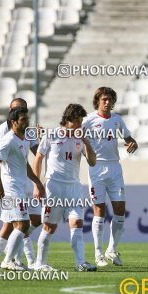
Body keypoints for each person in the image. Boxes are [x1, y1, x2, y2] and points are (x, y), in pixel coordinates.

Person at [33, 104, 97, 271]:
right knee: (49, 226)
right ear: (68, 120)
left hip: (74, 187)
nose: (80, 124)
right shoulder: (51, 135)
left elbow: (92, 162)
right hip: (54, 186)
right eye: (78, 121)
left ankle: (80, 263)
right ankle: (40, 263)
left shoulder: (80, 138)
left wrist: (86, 142)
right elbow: (38, 158)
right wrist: (37, 184)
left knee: (77, 223)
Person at [82, 87, 139, 267]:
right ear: (98, 100)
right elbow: (78, 140)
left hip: (115, 167)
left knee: (120, 209)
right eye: (104, 99)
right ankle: (98, 253)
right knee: (99, 210)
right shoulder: (88, 120)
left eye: (110, 100)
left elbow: (129, 139)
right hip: (96, 168)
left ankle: (111, 249)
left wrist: (132, 144)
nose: (107, 103)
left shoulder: (117, 119)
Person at [0, 98, 42, 270]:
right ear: (13, 119)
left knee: (15, 224)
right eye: (22, 118)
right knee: (22, 224)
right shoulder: (7, 136)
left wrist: (38, 183)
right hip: (11, 186)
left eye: (25, 114)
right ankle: (11, 260)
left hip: (21, 184)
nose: (26, 121)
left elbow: (26, 162)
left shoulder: (23, 137)